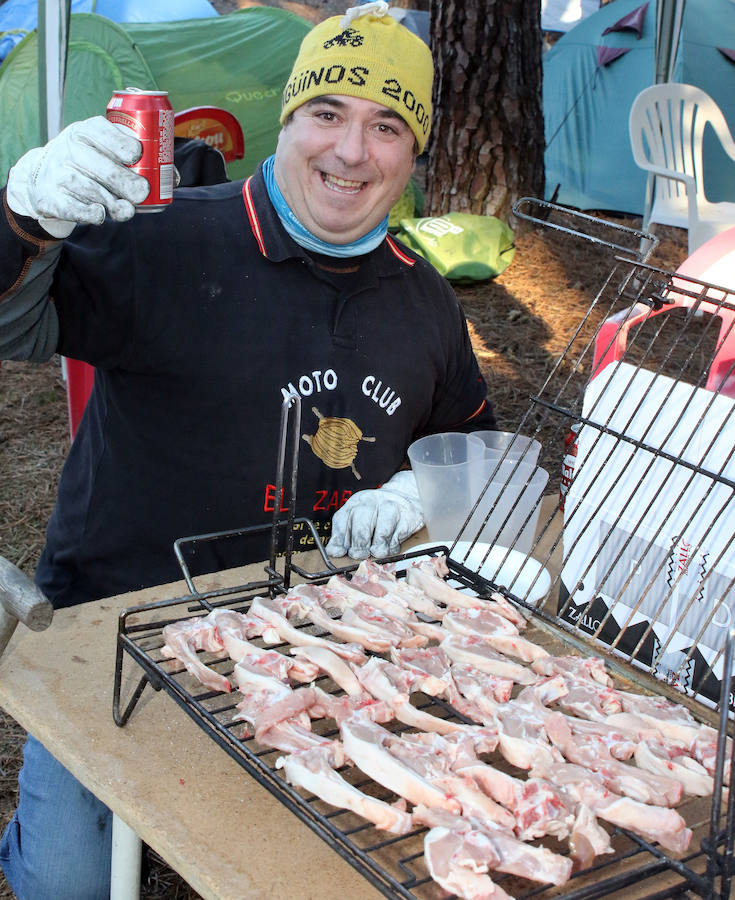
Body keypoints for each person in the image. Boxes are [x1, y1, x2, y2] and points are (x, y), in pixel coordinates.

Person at [0, 2, 495, 896]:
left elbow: (467, 443)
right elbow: (9, 320)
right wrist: (24, 216)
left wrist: (421, 490)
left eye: (387, 126)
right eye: (328, 114)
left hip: (319, 630)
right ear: (289, 118)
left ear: (413, 155)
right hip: (115, 622)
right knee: (65, 885)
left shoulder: (426, 303)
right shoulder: (165, 236)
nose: (351, 152)